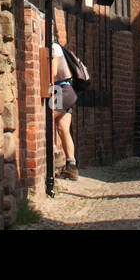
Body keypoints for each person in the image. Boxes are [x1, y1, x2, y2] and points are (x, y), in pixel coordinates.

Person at [51, 34, 78, 179]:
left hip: (60, 90)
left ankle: (55, 155)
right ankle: (71, 166)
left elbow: (53, 72)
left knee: (46, 120)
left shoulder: (53, 48)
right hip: (67, 89)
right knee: (63, 129)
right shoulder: (58, 48)